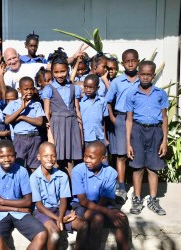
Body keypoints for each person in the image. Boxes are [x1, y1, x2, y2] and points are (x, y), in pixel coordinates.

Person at [0, 139, 47, 250]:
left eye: (10, 156)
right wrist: (18, 209)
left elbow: (28, 201)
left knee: (41, 234)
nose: (6, 159)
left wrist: (3, 202)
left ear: (15, 155)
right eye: (2, 156)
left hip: (20, 215)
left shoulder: (22, 171)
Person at [125, 61, 168, 216]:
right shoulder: (132, 95)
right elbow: (129, 119)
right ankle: (137, 198)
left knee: (153, 167)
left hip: (155, 132)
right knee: (137, 167)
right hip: (137, 130)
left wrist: (164, 140)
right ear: (138, 74)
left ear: (153, 75)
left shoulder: (160, 94)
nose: (145, 77)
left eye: (148, 75)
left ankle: (153, 199)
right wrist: (128, 143)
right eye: (142, 74)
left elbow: (164, 117)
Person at [71, 141, 130, 250]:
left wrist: (100, 210)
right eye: (85, 156)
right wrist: (106, 212)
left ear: (103, 159)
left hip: (102, 204)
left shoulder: (111, 173)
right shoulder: (77, 171)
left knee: (122, 218)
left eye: (91, 157)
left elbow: (104, 198)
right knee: (97, 219)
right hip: (81, 206)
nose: (86, 160)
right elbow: (83, 201)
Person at [30, 142, 88, 250]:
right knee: (54, 232)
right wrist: (58, 219)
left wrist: (61, 216)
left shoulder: (62, 175)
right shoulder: (34, 177)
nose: (50, 159)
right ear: (39, 157)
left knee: (83, 225)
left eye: (53, 156)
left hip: (59, 210)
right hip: (42, 212)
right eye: (46, 156)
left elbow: (63, 200)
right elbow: (38, 205)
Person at [105, 49, 140, 204]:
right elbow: (108, 101)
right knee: (121, 155)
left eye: (133, 60)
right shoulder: (117, 82)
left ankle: (137, 190)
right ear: (122, 63)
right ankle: (121, 188)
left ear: (138, 61)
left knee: (137, 154)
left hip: (138, 120)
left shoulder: (144, 79)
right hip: (121, 117)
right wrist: (113, 118)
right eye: (127, 61)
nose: (130, 64)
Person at [42, 49, 82, 175]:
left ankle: (71, 190)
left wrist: (80, 128)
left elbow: (77, 109)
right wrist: (49, 132)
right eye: (56, 72)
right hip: (56, 125)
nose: (60, 75)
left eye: (63, 71)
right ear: (52, 73)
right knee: (57, 157)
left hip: (72, 124)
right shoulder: (49, 89)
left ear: (67, 70)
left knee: (71, 159)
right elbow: (47, 113)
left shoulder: (74, 88)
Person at [3, 77, 45, 171]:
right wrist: (22, 108)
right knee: (18, 165)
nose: (29, 91)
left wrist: (22, 117)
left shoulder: (36, 104)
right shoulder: (13, 104)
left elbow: (39, 122)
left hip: (35, 138)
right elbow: (7, 120)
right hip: (20, 139)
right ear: (19, 90)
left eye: (31, 88)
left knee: (34, 166)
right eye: (26, 89)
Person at [79, 74, 109, 147]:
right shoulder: (80, 102)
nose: (88, 90)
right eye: (85, 87)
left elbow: (103, 121)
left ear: (97, 88)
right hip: (86, 137)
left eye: (91, 87)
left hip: (100, 136)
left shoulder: (102, 101)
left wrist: (104, 137)